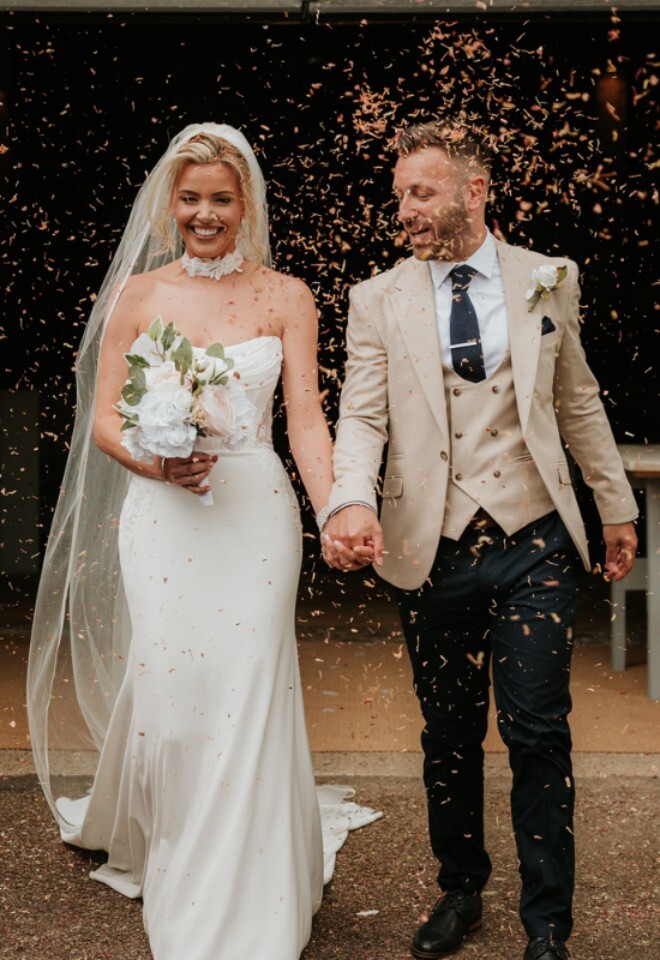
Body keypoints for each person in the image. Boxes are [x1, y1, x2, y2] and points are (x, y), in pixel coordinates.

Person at [27, 123, 379, 960]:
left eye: (221, 199)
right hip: (163, 521)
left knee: (249, 684)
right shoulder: (140, 296)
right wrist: (157, 461)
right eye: (191, 199)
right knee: (182, 701)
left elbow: (305, 426)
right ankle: (185, 864)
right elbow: (104, 417)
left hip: (253, 514)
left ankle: (254, 890)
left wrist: (335, 509)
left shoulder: (288, 296)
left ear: (246, 204)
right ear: (169, 203)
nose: (205, 214)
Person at [320, 120, 638, 960]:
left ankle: (548, 922)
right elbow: (360, 416)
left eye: (420, 193)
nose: (406, 211)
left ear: (474, 190)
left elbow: (577, 400)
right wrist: (348, 501)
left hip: (535, 540)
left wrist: (616, 508)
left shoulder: (547, 279)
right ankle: (460, 888)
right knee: (450, 733)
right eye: (399, 197)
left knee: (538, 727)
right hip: (430, 548)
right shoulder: (375, 298)